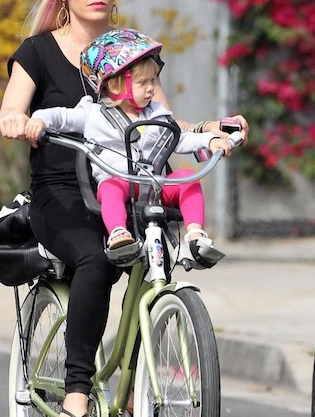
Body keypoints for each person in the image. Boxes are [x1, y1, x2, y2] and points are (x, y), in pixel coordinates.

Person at [0, 0, 249, 417]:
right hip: (62, 192)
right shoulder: (38, 53)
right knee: (95, 259)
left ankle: (132, 374)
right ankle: (75, 397)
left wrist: (213, 133)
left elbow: (164, 130)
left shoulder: (131, 54)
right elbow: (10, 109)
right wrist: (19, 121)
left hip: (128, 182)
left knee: (148, 254)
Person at [24, 27, 235, 269]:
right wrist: (39, 120)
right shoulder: (94, 114)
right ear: (115, 86)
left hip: (154, 185)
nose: (151, 88)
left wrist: (209, 140)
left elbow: (177, 139)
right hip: (121, 183)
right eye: (143, 82)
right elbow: (62, 116)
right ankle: (118, 234)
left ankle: (195, 235)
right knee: (110, 187)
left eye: (153, 81)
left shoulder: (156, 113)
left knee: (187, 177)